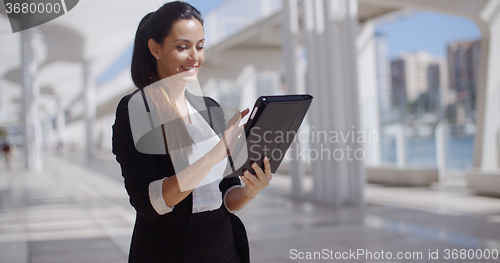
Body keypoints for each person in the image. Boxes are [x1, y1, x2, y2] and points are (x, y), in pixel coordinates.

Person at [112, 2, 272, 262]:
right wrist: (216, 153)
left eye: (200, 46)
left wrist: (250, 191)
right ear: (155, 48)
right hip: (171, 252)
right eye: (182, 47)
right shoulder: (136, 109)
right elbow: (150, 202)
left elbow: (227, 197)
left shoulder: (210, 108)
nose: (195, 57)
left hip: (224, 248)